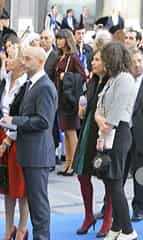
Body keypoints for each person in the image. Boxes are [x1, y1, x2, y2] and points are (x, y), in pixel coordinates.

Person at [1, 46, 57, 240]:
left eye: (27, 59)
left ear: (40, 61)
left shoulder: (45, 87)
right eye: (23, 58)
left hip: (37, 154)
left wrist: (14, 121)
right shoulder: (31, 85)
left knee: (38, 205)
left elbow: (43, 121)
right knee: (34, 203)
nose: (23, 62)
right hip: (30, 153)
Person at [95, 42, 138, 240]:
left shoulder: (125, 79)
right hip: (108, 131)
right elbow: (99, 106)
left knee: (114, 182)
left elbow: (117, 109)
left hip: (118, 133)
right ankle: (116, 227)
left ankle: (128, 231)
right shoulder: (112, 79)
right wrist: (100, 120)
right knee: (112, 181)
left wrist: (105, 125)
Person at [73, 50, 112, 237]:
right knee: (82, 173)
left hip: (104, 130)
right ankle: (89, 215)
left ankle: (108, 218)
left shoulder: (112, 82)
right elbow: (88, 106)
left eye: (97, 59)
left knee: (107, 175)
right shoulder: (92, 81)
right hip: (88, 128)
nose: (93, 62)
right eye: (93, 59)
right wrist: (82, 110)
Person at [0, 42, 29, 240]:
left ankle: (21, 229)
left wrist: (8, 140)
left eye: (10, 57)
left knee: (21, 187)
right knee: (6, 186)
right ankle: (8, 227)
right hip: (2, 133)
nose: (6, 60)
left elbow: (22, 116)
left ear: (21, 61)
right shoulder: (5, 79)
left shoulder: (26, 84)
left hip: (18, 138)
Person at [123, 49, 143, 222]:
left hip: (142, 133)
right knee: (117, 174)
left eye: (140, 61)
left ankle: (139, 208)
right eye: (133, 61)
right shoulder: (123, 79)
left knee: (141, 174)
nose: (137, 64)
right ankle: (109, 207)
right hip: (123, 132)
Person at [55, 29, 86, 176]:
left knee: (71, 131)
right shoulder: (61, 57)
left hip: (70, 100)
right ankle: (68, 162)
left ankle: (73, 163)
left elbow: (82, 76)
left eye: (61, 38)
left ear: (67, 40)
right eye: (57, 38)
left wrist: (66, 76)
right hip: (62, 99)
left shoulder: (73, 57)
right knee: (66, 132)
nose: (58, 41)